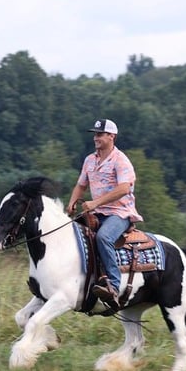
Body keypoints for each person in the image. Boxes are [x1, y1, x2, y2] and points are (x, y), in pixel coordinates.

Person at [67, 118, 143, 306]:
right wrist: (72, 203)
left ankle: (114, 286)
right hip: (96, 211)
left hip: (120, 213)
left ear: (112, 136)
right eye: (95, 134)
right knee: (71, 233)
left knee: (103, 238)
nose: (96, 137)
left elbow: (124, 188)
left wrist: (96, 203)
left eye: (100, 134)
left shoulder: (121, 160)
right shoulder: (89, 160)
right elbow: (81, 185)